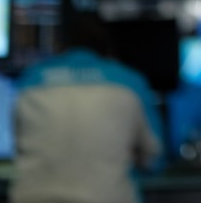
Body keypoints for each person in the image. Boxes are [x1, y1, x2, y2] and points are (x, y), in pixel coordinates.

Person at [9, 11, 164, 203]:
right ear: (108, 46)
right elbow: (155, 157)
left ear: (59, 44)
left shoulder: (31, 79)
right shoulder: (129, 81)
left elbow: (16, 145)